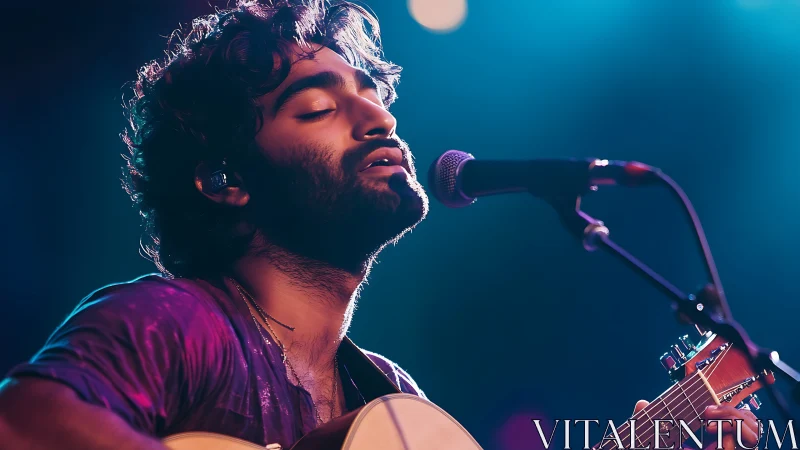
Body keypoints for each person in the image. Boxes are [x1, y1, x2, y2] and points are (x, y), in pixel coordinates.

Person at [0, 1, 760, 449]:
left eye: (372, 96)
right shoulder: (175, 323)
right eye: (320, 108)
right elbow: (24, 424)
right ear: (224, 180)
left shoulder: (393, 402)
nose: (377, 118)